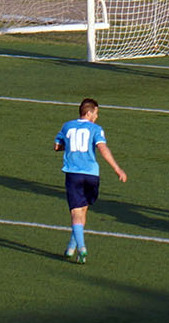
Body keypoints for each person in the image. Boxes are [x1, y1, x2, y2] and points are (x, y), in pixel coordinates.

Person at [54, 98, 128, 263]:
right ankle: (71, 248)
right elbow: (102, 148)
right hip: (91, 175)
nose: (96, 117)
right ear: (88, 113)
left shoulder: (67, 126)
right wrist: (117, 169)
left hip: (73, 174)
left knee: (75, 213)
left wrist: (70, 144)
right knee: (83, 211)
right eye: (96, 113)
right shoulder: (96, 129)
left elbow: (57, 146)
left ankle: (82, 248)